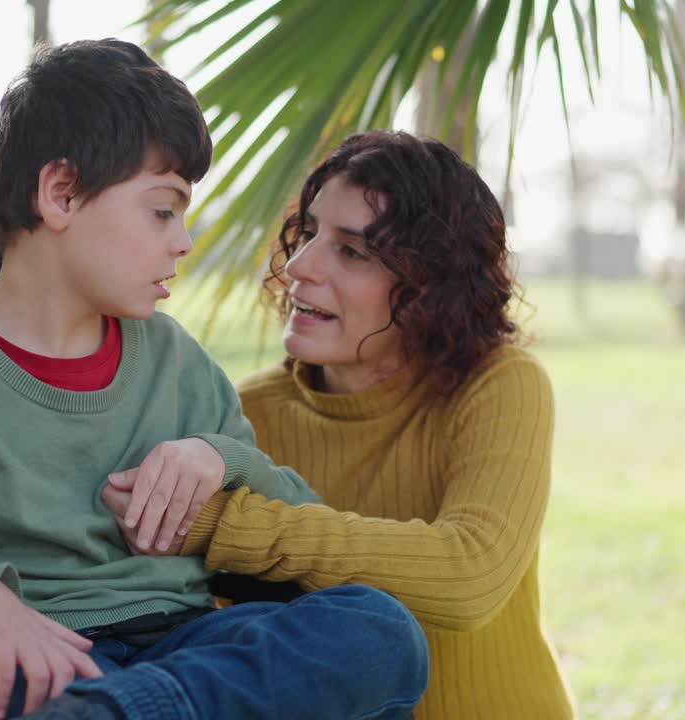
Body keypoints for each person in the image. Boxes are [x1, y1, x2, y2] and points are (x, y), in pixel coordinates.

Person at [0, 41, 427, 720]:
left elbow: (301, 535)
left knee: (380, 629)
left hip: (182, 648)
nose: (184, 240)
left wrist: (223, 459)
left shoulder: (178, 367)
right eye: (162, 209)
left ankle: (116, 713)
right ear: (59, 194)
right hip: (25, 667)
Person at [107, 131, 575, 719]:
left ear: (434, 289)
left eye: (352, 251)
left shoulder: (499, 384)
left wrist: (222, 525)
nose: (300, 266)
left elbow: (470, 574)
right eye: (307, 233)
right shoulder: (247, 414)